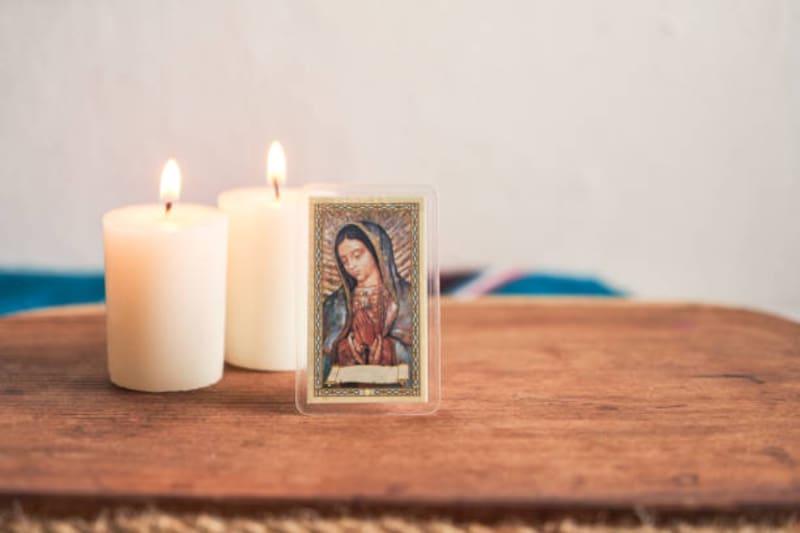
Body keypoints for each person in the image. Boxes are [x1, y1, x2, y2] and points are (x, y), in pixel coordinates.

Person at [322, 221, 412, 381]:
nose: (351, 265)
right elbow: (322, 356)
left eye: (357, 255)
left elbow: (417, 354)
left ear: (377, 252)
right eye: (344, 260)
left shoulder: (407, 297)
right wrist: (350, 346)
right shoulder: (334, 304)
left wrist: (382, 346)